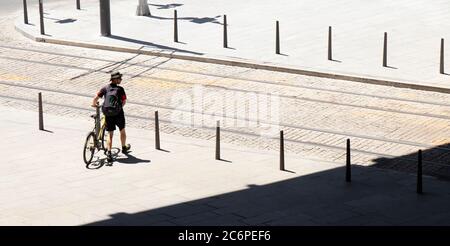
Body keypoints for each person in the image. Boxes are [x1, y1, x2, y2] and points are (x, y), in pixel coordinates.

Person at [92, 71, 131, 163]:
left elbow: (95, 98)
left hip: (108, 113)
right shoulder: (120, 89)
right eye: (119, 78)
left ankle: (109, 153)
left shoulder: (105, 88)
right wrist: (119, 108)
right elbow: (124, 101)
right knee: (122, 130)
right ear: (115, 80)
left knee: (110, 134)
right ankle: (124, 147)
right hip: (118, 113)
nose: (121, 80)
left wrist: (93, 104)